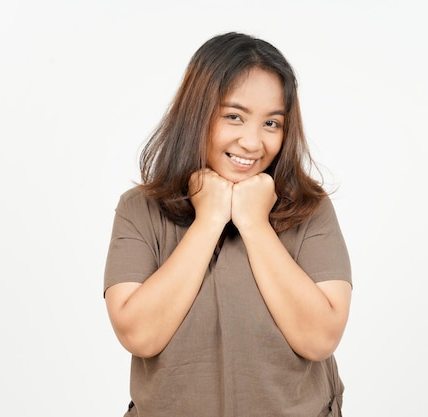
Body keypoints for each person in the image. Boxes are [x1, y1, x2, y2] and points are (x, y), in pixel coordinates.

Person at [103, 32, 352, 417]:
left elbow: (320, 338)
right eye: (234, 116)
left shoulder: (310, 209)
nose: (253, 143)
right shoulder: (139, 210)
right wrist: (210, 219)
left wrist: (254, 224)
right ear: (197, 114)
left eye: (272, 123)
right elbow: (139, 334)